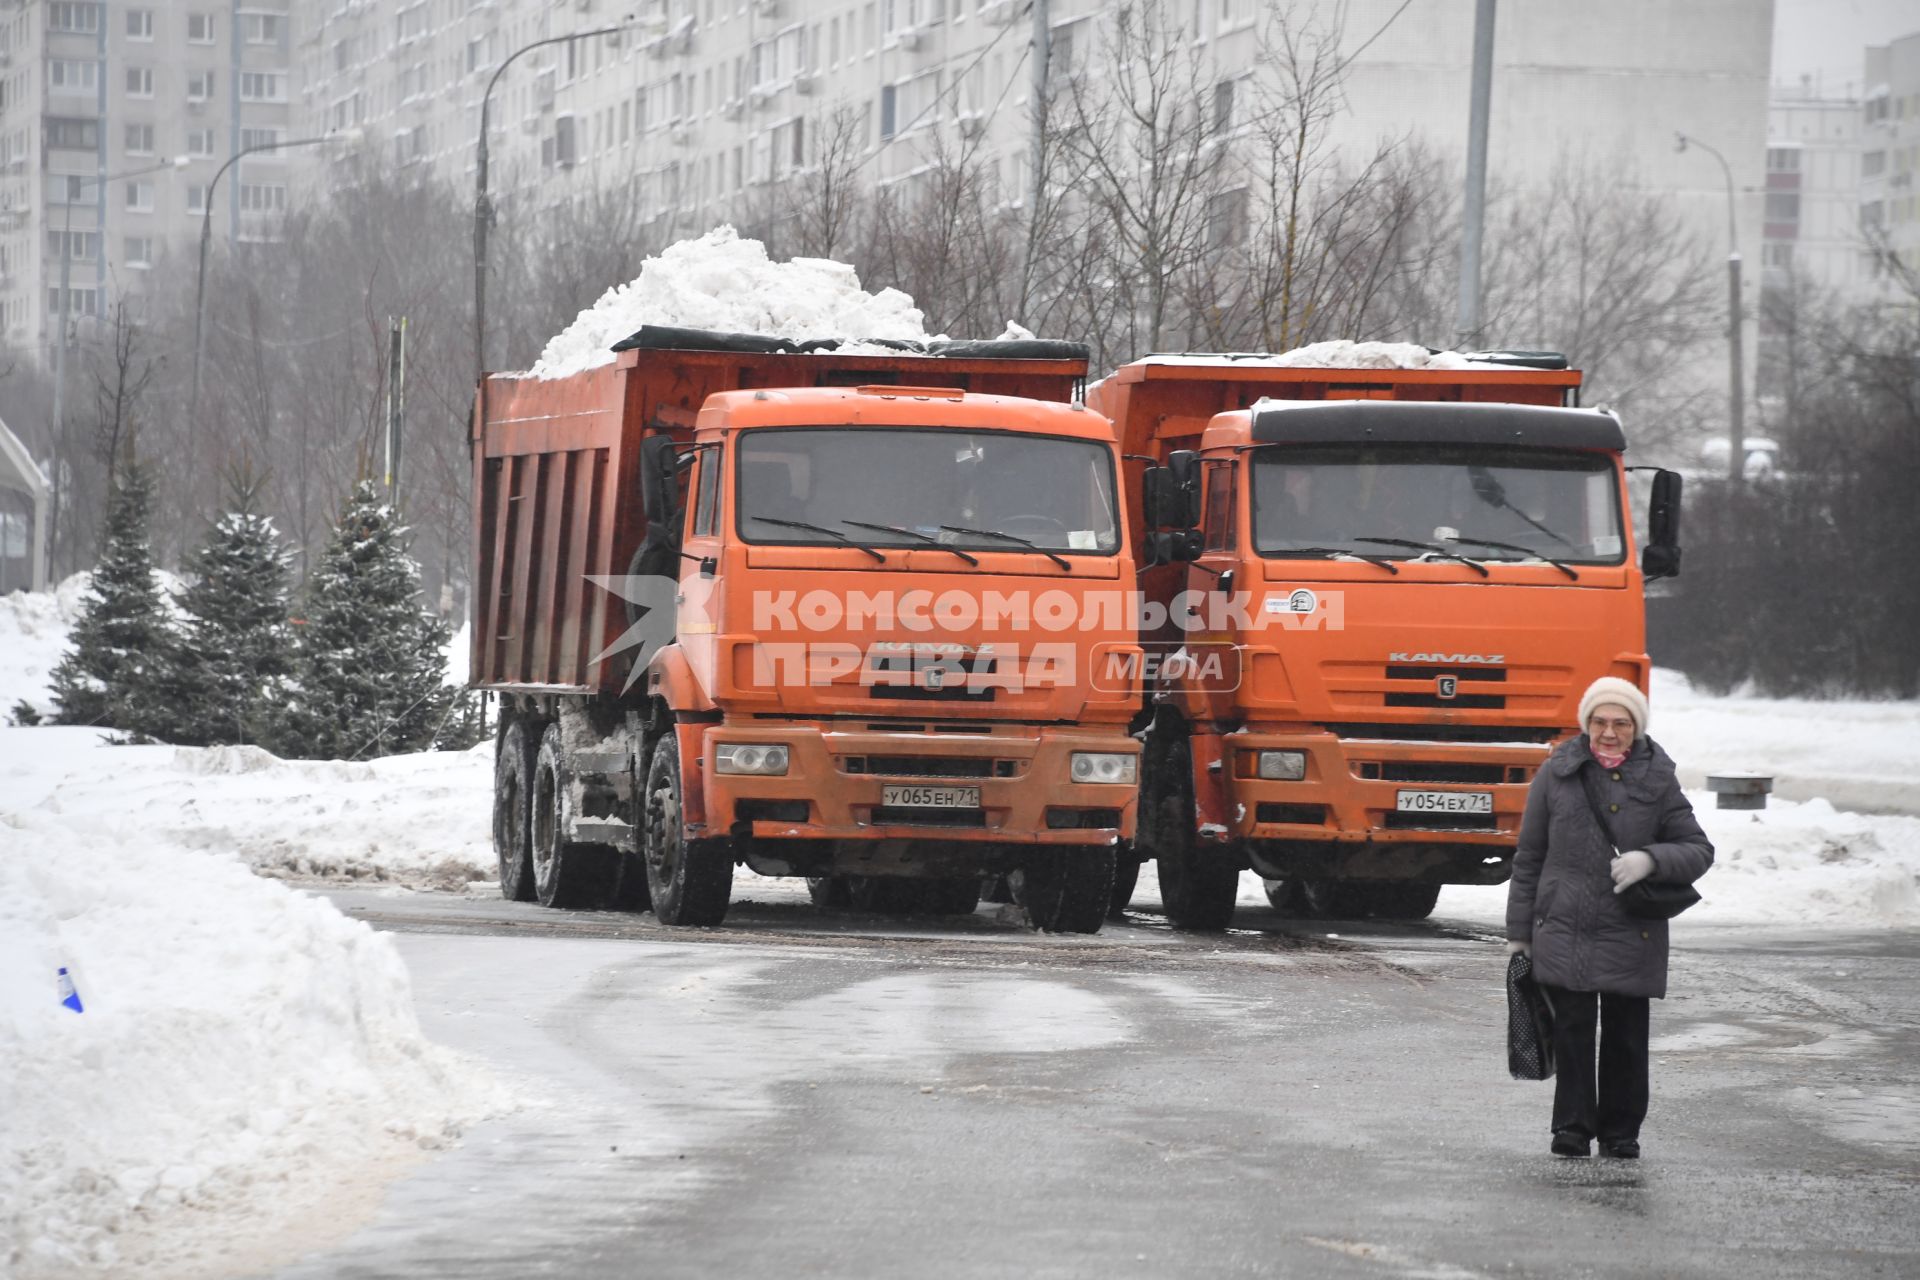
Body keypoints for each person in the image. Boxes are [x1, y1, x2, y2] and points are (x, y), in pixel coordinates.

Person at [1506, 676, 1714, 1159]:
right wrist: (1519, 934)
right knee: (1573, 1033)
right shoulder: (1556, 773)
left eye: (1620, 723)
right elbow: (1529, 857)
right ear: (1586, 724)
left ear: (1635, 727)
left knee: (1626, 1038)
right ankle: (1572, 1128)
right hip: (1565, 928)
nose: (1608, 732)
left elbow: (1698, 849)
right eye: (1599, 721)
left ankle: (1622, 1132)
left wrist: (1650, 859)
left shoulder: (1658, 778)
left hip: (1630, 930)